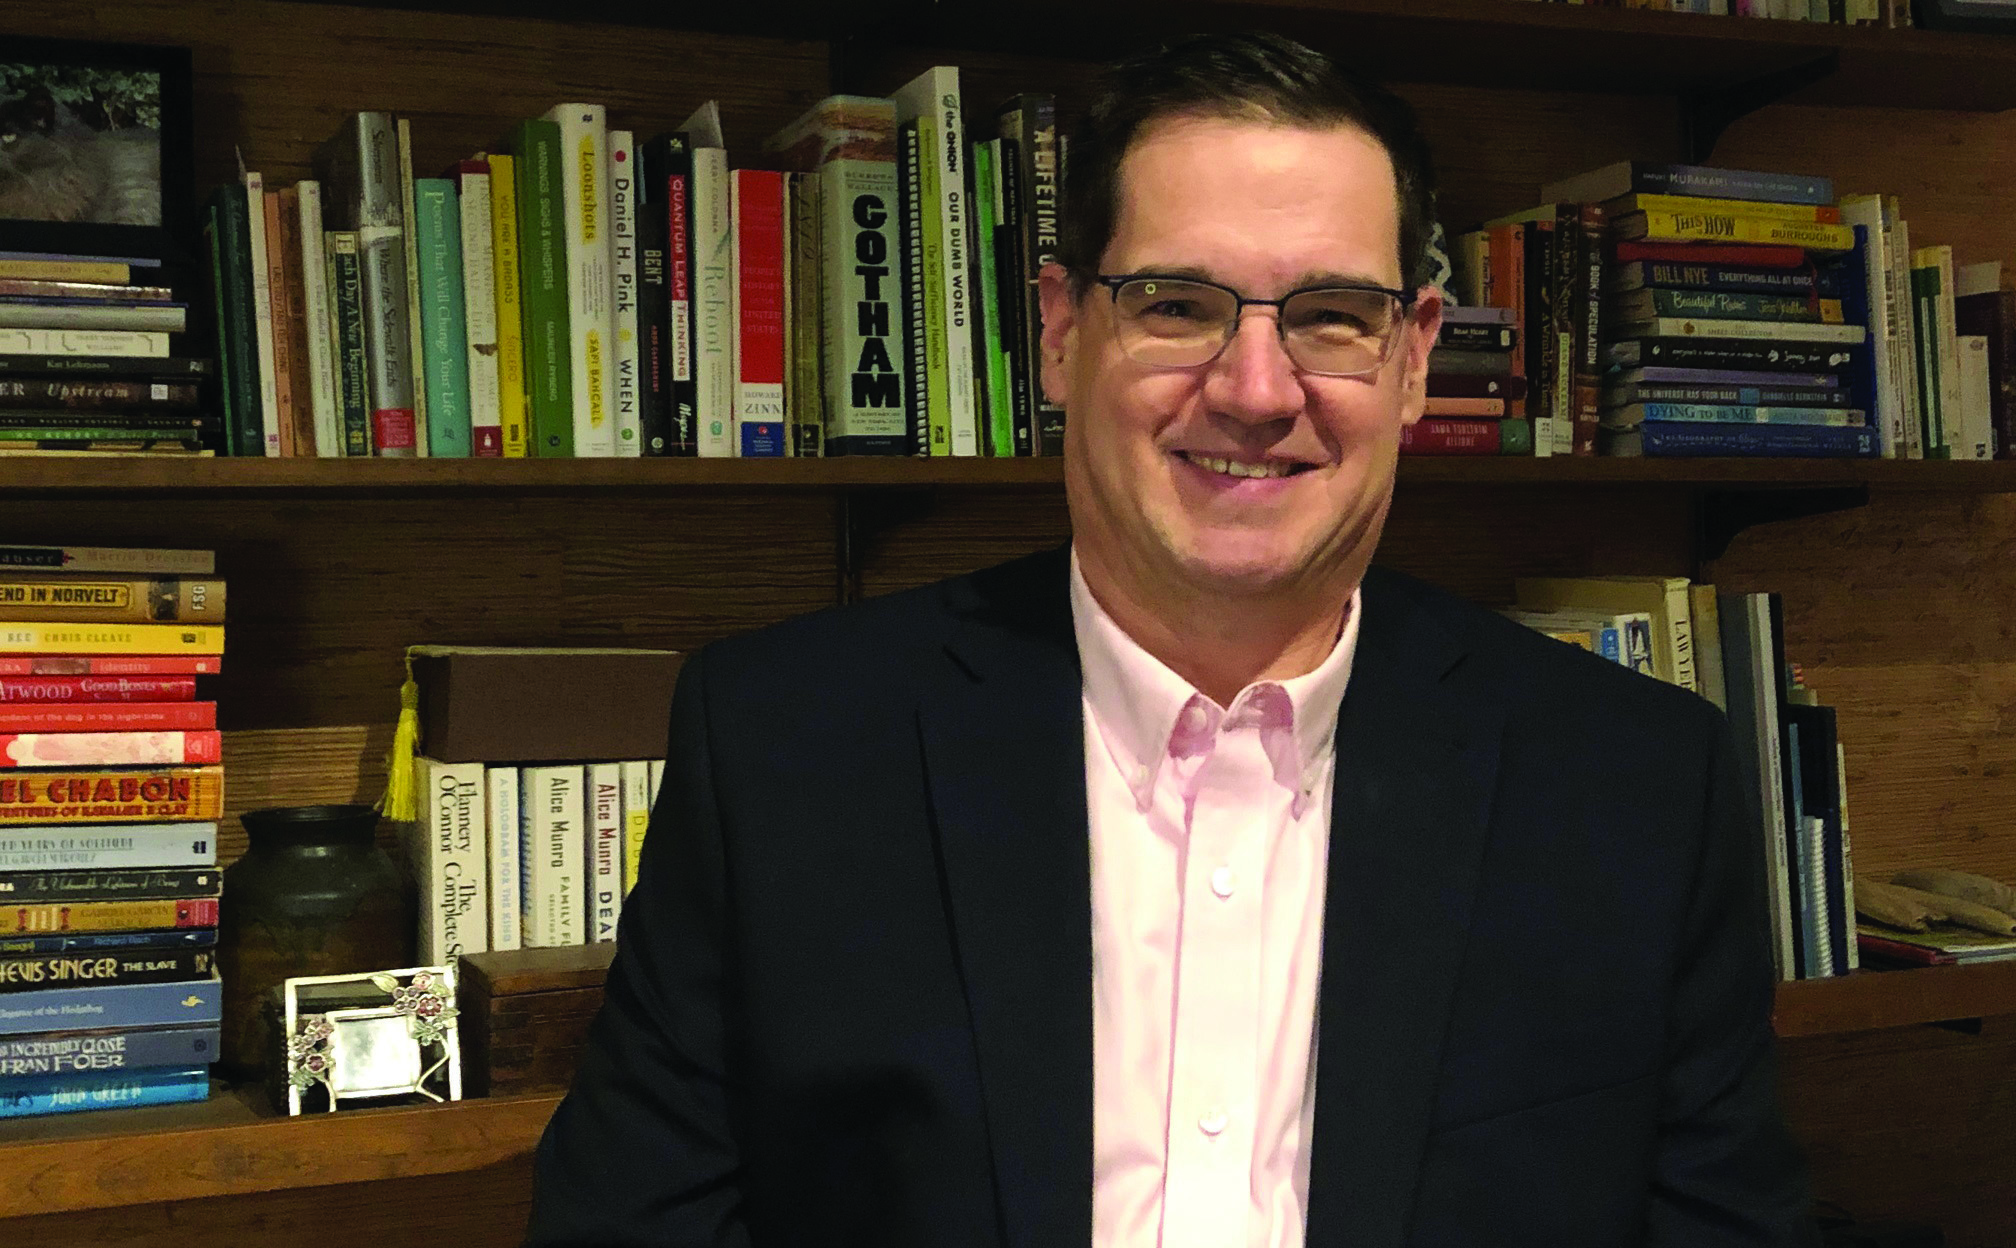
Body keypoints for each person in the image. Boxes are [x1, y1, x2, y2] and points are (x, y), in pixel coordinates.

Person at [525, 31, 1813, 1248]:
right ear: (1060, 333)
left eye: (1331, 314)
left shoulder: (1640, 785)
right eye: (1179, 305)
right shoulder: (779, 748)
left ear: (1414, 360)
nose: (1256, 391)